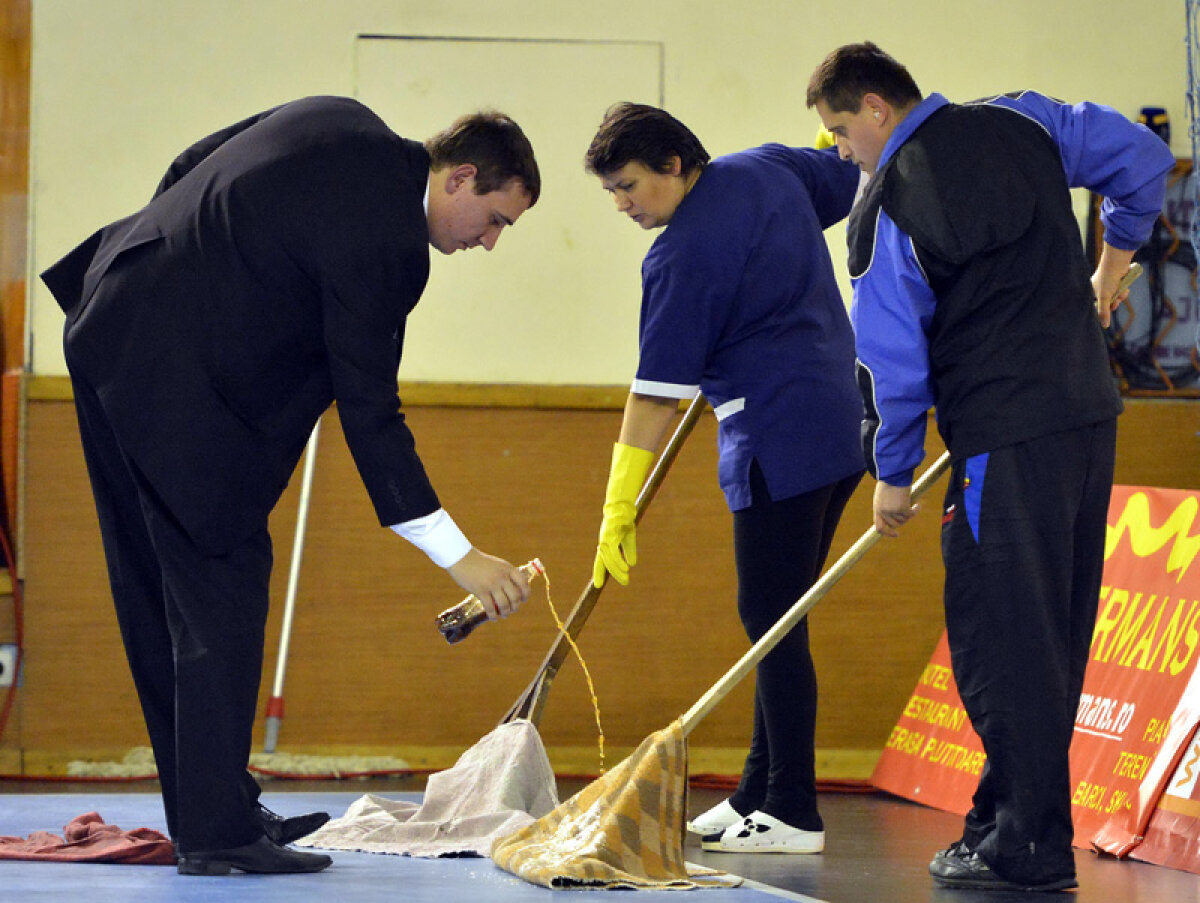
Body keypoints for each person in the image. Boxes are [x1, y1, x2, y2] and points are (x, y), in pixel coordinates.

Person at [40, 97, 541, 876]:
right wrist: (460, 555)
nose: (489, 242)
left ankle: (217, 805)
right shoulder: (391, 244)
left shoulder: (341, 119)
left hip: (109, 306)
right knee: (223, 586)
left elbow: (189, 159)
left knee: (156, 586)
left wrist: (184, 268)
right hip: (173, 379)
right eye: (496, 218)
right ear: (461, 177)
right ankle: (216, 833)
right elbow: (372, 411)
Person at [806, 43, 1173, 892]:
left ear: (875, 109)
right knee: (1050, 634)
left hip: (1002, 438)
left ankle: (1026, 845)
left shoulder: (887, 203)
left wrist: (891, 474)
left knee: (998, 636)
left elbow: (889, 362)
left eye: (838, 132)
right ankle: (1005, 817)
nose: (840, 151)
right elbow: (1141, 161)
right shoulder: (1024, 116)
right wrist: (1110, 267)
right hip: (1087, 415)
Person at [584, 103, 865, 854]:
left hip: (780, 438)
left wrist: (620, 503)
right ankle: (756, 790)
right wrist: (814, 152)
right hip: (842, 425)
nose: (622, 205)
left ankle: (794, 809)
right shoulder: (767, 166)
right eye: (612, 191)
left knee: (770, 620)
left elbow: (654, 394)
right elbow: (842, 179)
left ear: (674, 165)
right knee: (779, 616)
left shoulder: (679, 254)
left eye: (629, 186)